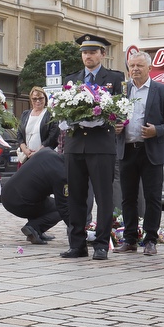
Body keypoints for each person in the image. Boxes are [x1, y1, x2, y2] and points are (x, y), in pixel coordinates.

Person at [61, 34, 125, 261]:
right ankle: (77, 244)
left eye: (92, 52)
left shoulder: (115, 79)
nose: (87, 56)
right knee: (76, 197)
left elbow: (122, 109)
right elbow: (62, 109)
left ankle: (100, 244)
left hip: (101, 145)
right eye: (84, 52)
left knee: (103, 197)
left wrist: (114, 120)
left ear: (102, 54)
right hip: (76, 145)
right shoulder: (71, 79)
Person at [113, 50, 164, 256]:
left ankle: (150, 240)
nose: (134, 69)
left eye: (139, 66)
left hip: (151, 150)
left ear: (149, 68)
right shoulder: (123, 91)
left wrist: (157, 130)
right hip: (127, 150)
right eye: (131, 66)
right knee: (128, 198)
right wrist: (115, 126)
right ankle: (130, 239)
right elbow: (114, 117)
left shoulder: (162, 90)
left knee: (153, 197)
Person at [1, 147, 69, 245]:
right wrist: (78, 232)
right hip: (21, 203)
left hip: (7, 194)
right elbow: (63, 206)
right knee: (61, 208)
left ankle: (37, 232)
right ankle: (34, 227)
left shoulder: (46, 152)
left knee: (41, 199)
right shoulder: (61, 173)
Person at [17, 86, 58, 161]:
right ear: (30, 100)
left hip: (44, 157)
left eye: (41, 98)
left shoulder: (51, 114)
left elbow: (53, 136)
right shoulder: (25, 114)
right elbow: (19, 134)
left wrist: (39, 151)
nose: (38, 101)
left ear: (45, 98)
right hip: (26, 157)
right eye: (34, 99)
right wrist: (25, 150)